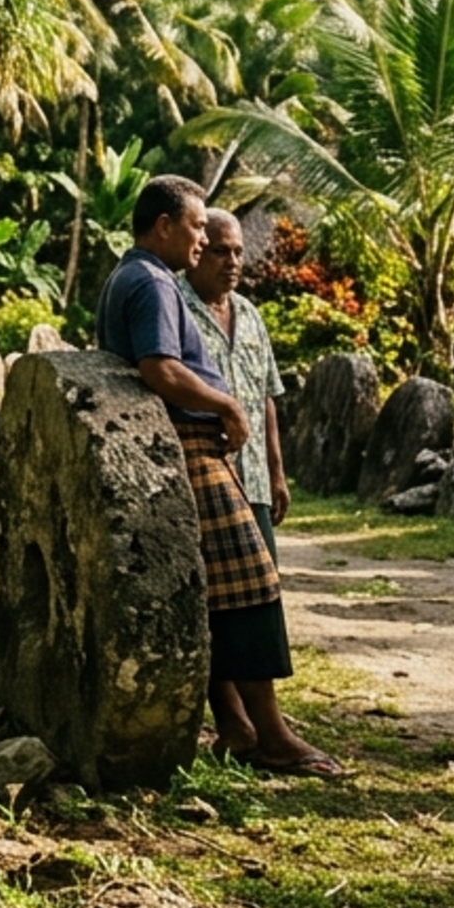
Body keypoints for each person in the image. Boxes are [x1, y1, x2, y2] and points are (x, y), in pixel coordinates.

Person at [100, 176, 342, 777]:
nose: (203, 240)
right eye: (197, 227)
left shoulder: (137, 276)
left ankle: (239, 728)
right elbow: (161, 369)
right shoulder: (153, 282)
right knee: (251, 586)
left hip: (195, 449)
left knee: (220, 595)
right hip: (190, 447)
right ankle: (272, 735)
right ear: (164, 226)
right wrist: (226, 405)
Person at [183, 207, 289, 554]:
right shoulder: (175, 307)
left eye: (238, 252)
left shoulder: (250, 315)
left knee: (266, 579)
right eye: (221, 251)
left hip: (254, 480)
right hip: (204, 479)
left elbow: (266, 396)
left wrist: (276, 473)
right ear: (198, 250)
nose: (232, 262)